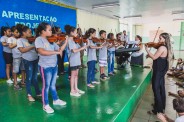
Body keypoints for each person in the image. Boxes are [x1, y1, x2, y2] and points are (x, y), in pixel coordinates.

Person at [35, 22, 67, 114]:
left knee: (53, 85)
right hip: (45, 67)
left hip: (54, 65)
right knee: (46, 86)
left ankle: (56, 99)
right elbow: (42, 52)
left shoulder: (51, 40)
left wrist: (66, 41)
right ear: (43, 31)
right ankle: (45, 105)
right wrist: (56, 53)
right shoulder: (39, 40)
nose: (51, 31)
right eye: (49, 30)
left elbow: (60, 49)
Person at [146, 33, 172, 114]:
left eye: (160, 38)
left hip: (158, 71)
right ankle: (160, 106)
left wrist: (147, 50)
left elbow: (154, 57)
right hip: (161, 70)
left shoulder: (162, 47)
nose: (158, 40)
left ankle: (158, 110)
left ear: (164, 39)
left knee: (156, 89)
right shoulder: (166, 46)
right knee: (161, 88)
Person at [17, 25, 41, 102]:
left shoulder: (32, 39)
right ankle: (29, 94)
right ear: (24, 33)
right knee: (29, 78)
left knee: (35, 77)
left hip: (35, 59)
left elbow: (36, 50)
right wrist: (32, 46)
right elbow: (22, 50)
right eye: (29, 32)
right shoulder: (20, 40)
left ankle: (37, 92)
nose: (31, 33)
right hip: (27, 60)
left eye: (31, 32)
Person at [66, 25, 89, 97]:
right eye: (76, 32)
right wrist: (83, 47)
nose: (77, 34)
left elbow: (80, 47)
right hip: (73, 60)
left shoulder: (75, 40)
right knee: (73, 75)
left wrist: (85, 44)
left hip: (77, 60)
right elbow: (74, 50)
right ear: (71, 32)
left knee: (76, 75)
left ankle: (76, 88)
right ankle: (72, 90)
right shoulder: (69, 41)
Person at [8, 25, 26, 90]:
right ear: (12, 32)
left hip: (23, 56)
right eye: (16, 32)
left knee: (23, 69)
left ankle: (23, 81)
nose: (18, 33)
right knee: (15, 71)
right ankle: (15, 84)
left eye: (19, 32)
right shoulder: (10, 39)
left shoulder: (21, 38)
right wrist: (17, 42)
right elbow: (10, 46)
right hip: (16, 57)